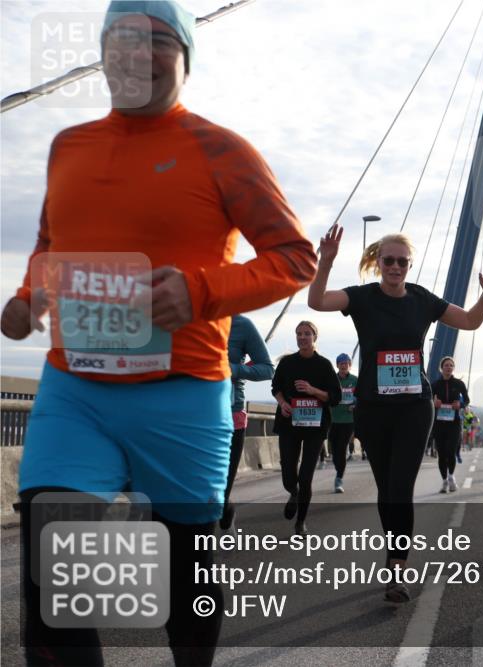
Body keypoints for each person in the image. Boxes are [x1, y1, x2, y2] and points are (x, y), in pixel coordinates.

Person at [0, 2, 317, 664]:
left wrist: (200, 291)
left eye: (156, 42)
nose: (134, 53)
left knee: (185, 575)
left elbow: (295, 258)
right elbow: (48, 243)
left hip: (183, 394)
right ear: (101, 52)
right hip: (74, 390)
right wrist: (29, 297)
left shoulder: (222, 150)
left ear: (186, 58)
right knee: (52, 573)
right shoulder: (68, 145)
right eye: (119, 39)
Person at [307, 223, 483, 603]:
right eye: (389, 260)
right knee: (386, 489)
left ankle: (396, 569)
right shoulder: (361, 298)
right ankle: (394, 559)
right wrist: (326, 261)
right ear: (378, 262)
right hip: (374, 409)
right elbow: (317, 302)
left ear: (410, 265)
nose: (395, 266)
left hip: (415, 408)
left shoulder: (422, 300)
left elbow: (470, 321)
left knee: (400, 488)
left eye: (402, 261)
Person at [271, 321, 339, 536]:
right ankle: (293, 492)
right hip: (289, 423)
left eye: (307, 334)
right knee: (288, 474)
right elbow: (276, 388)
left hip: (315, 426)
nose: (302, 337)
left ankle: (300, 523)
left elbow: (335, 397)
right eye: (299, 334)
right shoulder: (287, 363)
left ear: (314, 337)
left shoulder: (324, 365)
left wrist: (312, 390)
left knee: (306, 476)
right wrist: (282, 403)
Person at [222, 314, 275, 530]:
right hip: (190, 418)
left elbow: (267, 369)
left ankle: (226, 516)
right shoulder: (187, 317)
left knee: (220, 493)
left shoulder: (241, 324)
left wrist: (233, 369)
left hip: (230, 416)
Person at [431, 356, 470, 493]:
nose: (448, 367)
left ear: (453, 368)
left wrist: (460, 404)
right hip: (439, 423)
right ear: (441, 368)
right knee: (441, 454)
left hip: (454, 423)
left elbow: (466, 400)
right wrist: (433, 403)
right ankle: (444, 481)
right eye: (446, 365)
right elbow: (427, 400)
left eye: (451, 365)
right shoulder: (435, 384)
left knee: (451, 451)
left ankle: (451, 477)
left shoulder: (459, 384)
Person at [329, 352, 358, 493]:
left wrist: (355, 404)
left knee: (341, 448)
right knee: (335, 452)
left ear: (350, 365)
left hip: (348, 420)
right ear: (337, 365)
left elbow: (360, 396)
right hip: (332, 419)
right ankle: (338, 467)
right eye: (341, 363)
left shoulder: (355, 380)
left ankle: (339, 478)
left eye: (346, 363)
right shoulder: (331, 379)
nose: (343, 366)